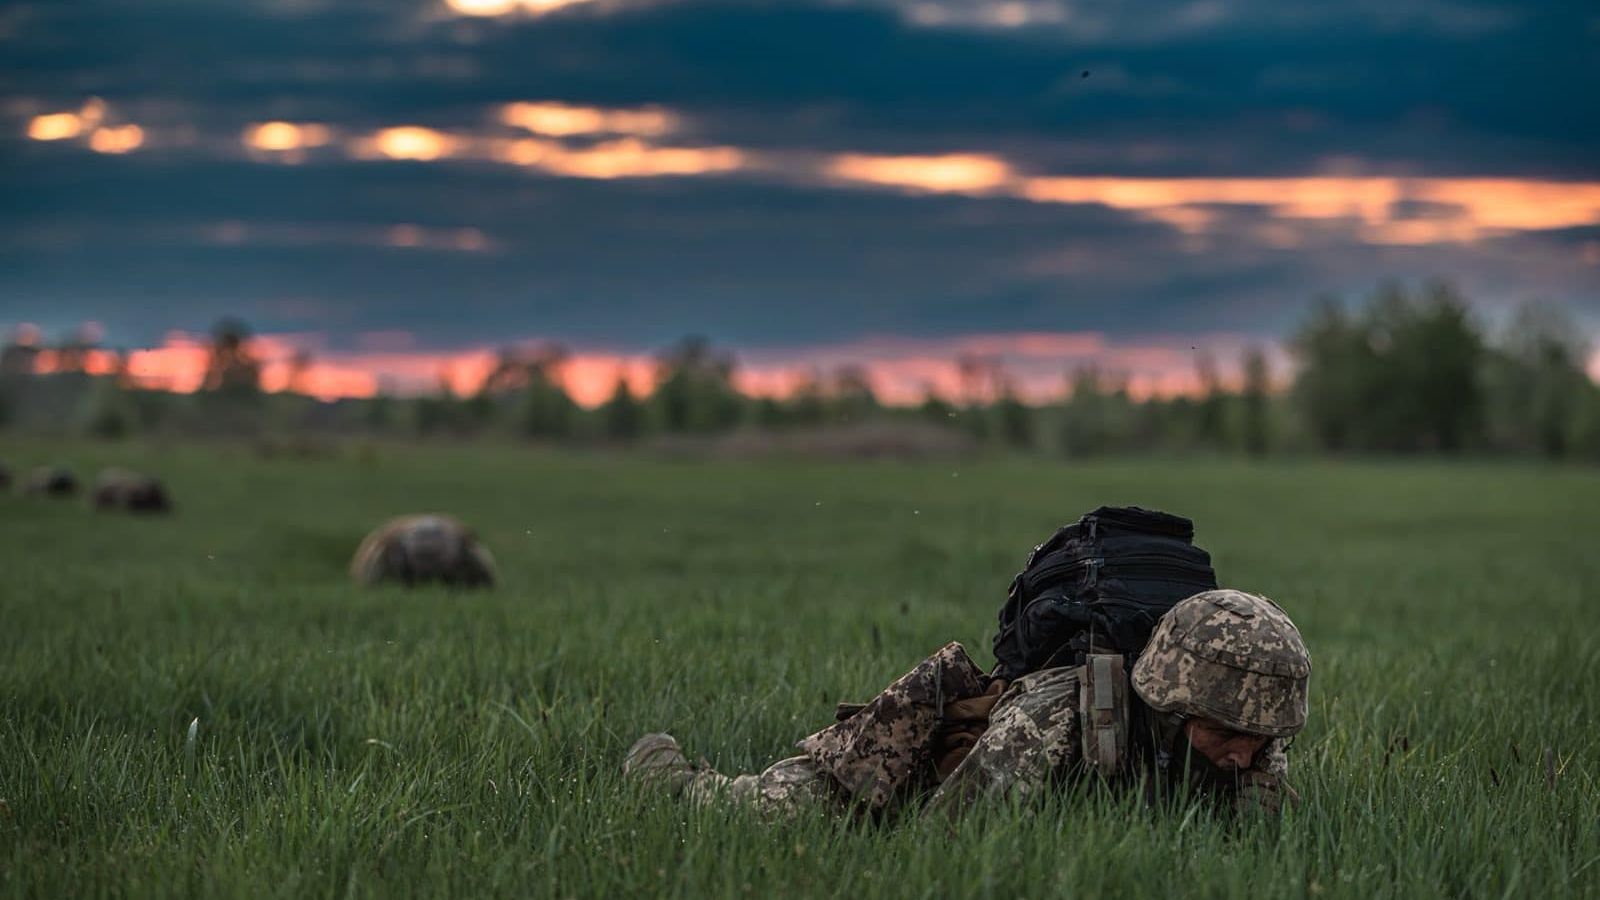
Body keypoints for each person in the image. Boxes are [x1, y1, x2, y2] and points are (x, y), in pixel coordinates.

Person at [624, 589, 1310, 818]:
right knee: (758, 813)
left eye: (1262, 736)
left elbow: (1266, 838)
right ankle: (667, 776)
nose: (1249, 753)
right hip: (919, 773)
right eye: (1231, 733)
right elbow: (946, 837)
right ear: (1175, 698)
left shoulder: (1248, 736)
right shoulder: (1052, 721)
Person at [349, 514, 497, 588]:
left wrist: (363, 581)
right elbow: (485, 564)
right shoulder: (458, 534)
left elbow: (366, 565)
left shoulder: (390, 535)